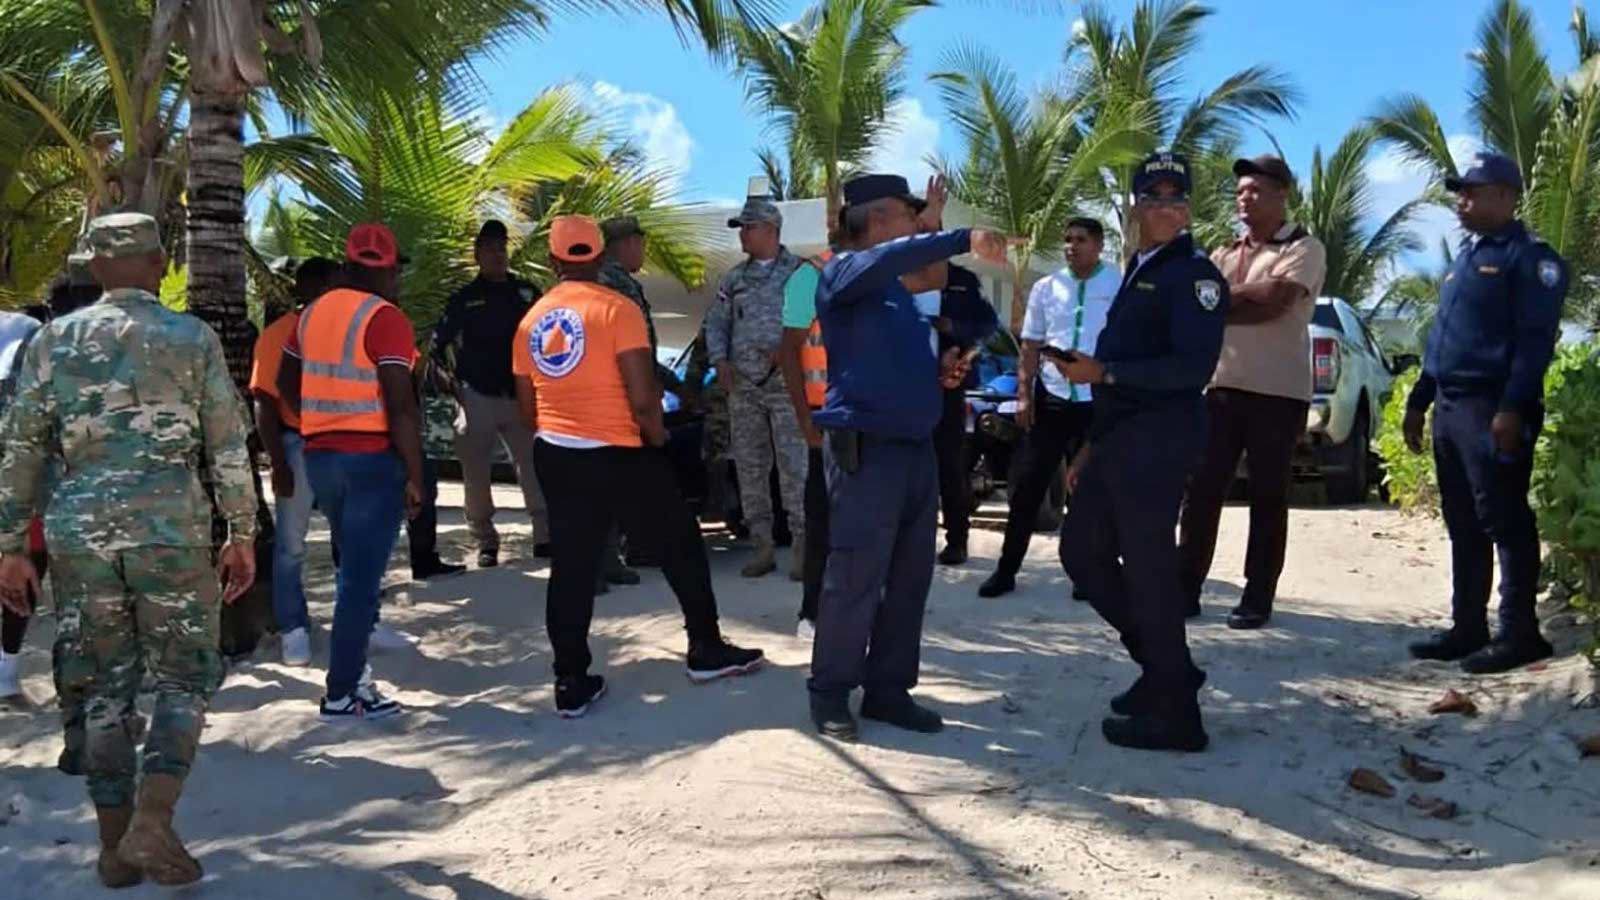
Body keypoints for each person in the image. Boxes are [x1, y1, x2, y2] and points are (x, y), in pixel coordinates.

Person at [0, 212, 257, 886]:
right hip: (170, 524)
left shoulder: (53, 341)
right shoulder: (190, 337)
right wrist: (241, 533)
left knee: (99, 686)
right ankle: (153, 816)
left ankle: (114, 848)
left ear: (94, 264)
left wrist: (9, 545)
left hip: (80, 529)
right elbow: (228, 443)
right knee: (183, 675)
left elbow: (21, 449)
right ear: (157, 262)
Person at [515, 216, 764, 717]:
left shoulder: (531, 321)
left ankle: (570, 681)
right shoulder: (619, 309)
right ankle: (705, 650)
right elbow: (643, 393)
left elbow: (527, 407)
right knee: (681, 547)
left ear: (553, 260)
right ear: (600, 255)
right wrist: (655, 440)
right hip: (620, 449)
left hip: (558, 451)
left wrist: (563, 432)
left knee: (572, 565)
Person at [807, 173, 1009, 742]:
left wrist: (942, 365)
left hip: (916, 447)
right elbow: (900, 255)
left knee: (909, 578)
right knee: (854, 577)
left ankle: (889, 691)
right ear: (875, 219)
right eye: (907, 213)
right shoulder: (846, 270)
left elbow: (901, 351)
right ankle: (829, 693)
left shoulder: (897, 290)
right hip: (866, 448)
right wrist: (961, 236)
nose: (916, 221)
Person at [1055, 153, 1228, 753]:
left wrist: (1104, 372)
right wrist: (1090, 447)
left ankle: (1177, 711)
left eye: (1176, 200)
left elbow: (1191, 368)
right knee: (1080, 553)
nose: (1165, 209)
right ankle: (1165, 670)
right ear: (1135, 208)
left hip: (1160, 440)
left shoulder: (1196, 276)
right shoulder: (1142, 266)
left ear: (1188, 209)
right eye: (1153, 200)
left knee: (1150, 571)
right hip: (1120, 440)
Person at [1403, 152, 1567, 675]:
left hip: (1492, 405)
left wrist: (1513, 407)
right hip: (1450, 405)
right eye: (1459, 191)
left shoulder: (1530, 258)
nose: (1460, 200)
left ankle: (1520, 632)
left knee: (1504, 517)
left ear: (1504, 195)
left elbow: (1535, 340)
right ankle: (1466, 626)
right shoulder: (1467, 258)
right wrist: (1420, 397)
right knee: (1463, 520)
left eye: (1470, 191)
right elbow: (1445, 337)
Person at [278, 223, 423, 720]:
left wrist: (321, 419)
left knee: (350, 571)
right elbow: (402, 406)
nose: (396, 282)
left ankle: (354, 676)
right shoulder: (386, 318)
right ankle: (342, 692)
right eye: (394, 271)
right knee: (359, 581)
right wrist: (416, 473)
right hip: (371, 460)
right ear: (384, 270)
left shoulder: (311, 314)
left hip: (322, 459)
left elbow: (284, 383)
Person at [1178, 156, 1328, 629]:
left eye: (1256, 191)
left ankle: (1257, 595)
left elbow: (1274, 302)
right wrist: (1220, 300)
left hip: (1278, 394)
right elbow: (1194, 301)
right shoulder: (1223, 252)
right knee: (1201, 492)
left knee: (1267, 497)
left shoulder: (1304, 247)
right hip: (1221, 388)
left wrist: (1216, 302)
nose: (1245, 199)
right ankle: (1185, 589)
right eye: (1241, 191)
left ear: (1282, 194)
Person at [979, 217, 1119, 598]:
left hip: (1098, 401)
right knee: (1026, 488)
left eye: (1082, 240)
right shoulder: (1046, 287)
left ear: (1100, 245)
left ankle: (1087, 575)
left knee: (1091, 491)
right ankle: (1006, 571)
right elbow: (1030, 344)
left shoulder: (1119, 284)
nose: (1073, 246)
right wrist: (1024, 393)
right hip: (1052, 401)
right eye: (1068, 240)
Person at [432, 219, 550, 568]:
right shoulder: (463, 300)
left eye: (502, 247)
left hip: (520, 395)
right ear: (477, 255)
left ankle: (544, 537)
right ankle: (485, 541)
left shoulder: (526, 293)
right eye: (489, 248)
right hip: (476, 396)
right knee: (475, 473)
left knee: (533, 467)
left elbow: (549, 340)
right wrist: (454, 388)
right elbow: (436, 351)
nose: (497, 254)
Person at [705, 198, 808, 578]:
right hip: (745, 387)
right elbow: (716, 324)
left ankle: (802, 547)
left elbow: (818, 324)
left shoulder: (800, 273)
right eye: (741, 228)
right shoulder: (734, 279)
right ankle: (761, 546)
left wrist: (791, 350)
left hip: (787, 387)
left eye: (749, 228)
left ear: (771, 230)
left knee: (794, 469)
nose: (743, 235)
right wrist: (720, 361)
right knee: (750, 468)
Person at [778, 227, 840, 638]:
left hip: (874, 418)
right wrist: (804, 419)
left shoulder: (888, 271)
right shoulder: (810, 276)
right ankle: (812, 612)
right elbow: (789, 351)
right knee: (821, 519)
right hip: (826, 420)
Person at [930, 235, 1000, 567]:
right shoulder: (898, 276)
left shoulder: (962, 280)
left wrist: (955, 330)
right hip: (906, 384)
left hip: (949, 385)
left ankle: (957, 540)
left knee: (950, 466)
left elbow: (988, 327)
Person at [0, 305, 43, 699]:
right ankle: (6, 670)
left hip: (17, 468)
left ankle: (7, 670)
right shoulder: (26, 329)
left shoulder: (26, 329)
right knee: (26, 562)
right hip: (18, 469)